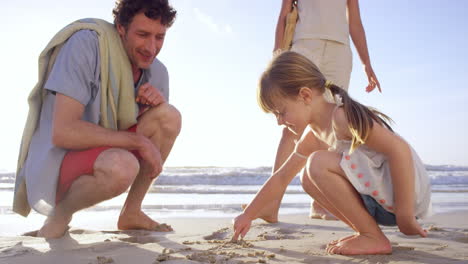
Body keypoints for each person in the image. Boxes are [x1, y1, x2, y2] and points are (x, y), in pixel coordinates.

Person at [233, 51, 432, 255]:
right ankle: (367, 232)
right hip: (378, 199)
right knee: (307, 177)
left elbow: (399, 149)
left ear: (305, 95)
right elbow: (282, 177)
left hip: (402, 198)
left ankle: (373, 237)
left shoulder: (342, 117)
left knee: (317, 163)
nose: (279, 121)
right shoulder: (312, 136)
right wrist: (248, 214)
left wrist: (405, 215)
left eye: (281, 112)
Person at [13, 0, 180, 239]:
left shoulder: (157, 72)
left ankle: (131, 212)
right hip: (62, 159)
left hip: (106, 153)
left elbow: (144, 131)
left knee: (169, 116)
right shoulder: (86, 45)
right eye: (143, 34)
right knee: (122, 166)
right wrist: (139, 142)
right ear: (120, 28)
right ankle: (59, 217)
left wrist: (149, 107)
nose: (151, 47)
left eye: (159, 37)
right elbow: (64, 132)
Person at [260, 0, 382, 222]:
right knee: (291, 126)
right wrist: (278, 55)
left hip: (339, 50)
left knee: (331, 126)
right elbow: (284, 13)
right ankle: (271, 203)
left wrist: (367, 63)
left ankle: (321, 203)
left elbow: (355, 22)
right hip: (304, 45)